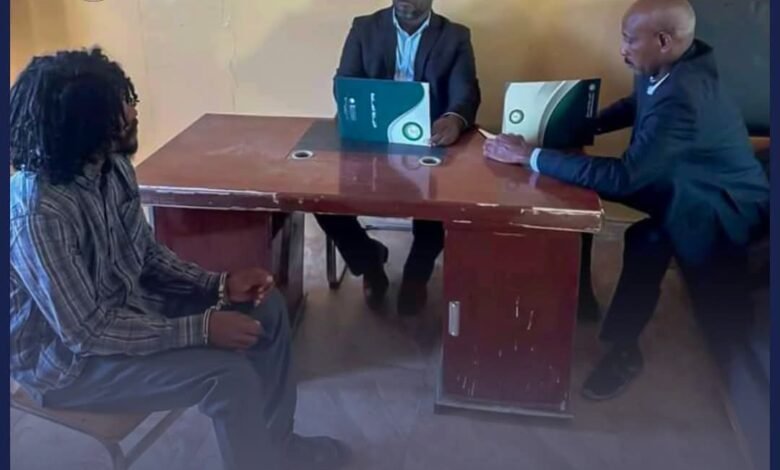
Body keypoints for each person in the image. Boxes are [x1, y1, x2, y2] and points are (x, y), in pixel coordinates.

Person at [9, 48, 349, 470]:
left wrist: (219, 285)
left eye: (128, 98)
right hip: (68, 366)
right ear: (81, 127)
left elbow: (146, 255)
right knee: (228, 376)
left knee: (268, 308)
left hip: (129, 309)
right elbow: (87, 331)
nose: (133, 111)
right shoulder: (38, 212)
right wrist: (202, 329)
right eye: (120, 106)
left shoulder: (111, 167)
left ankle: (278, 448)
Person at [484, 0, 769, 400]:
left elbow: (624, 178)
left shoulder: (686, 97)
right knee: (624, 225)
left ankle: (623, 352)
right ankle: (599, 317)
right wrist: (579, 126)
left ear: (663, 40)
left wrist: (529, 156)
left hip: (721, 208)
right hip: (688, 182)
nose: (622, 50)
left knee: (647, 240)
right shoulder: (673, 63)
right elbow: (638, 103)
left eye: (629, 40)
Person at [316, 0, 481, 316]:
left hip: (427, 138)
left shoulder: (455, 36)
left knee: (440, 199)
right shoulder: (364, 27)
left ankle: (417, 273)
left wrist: (454, 119)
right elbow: (345, 81)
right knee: (320, 198)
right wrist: (354, 109)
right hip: (372, 132)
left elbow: (465, 92)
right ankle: (369, 261)